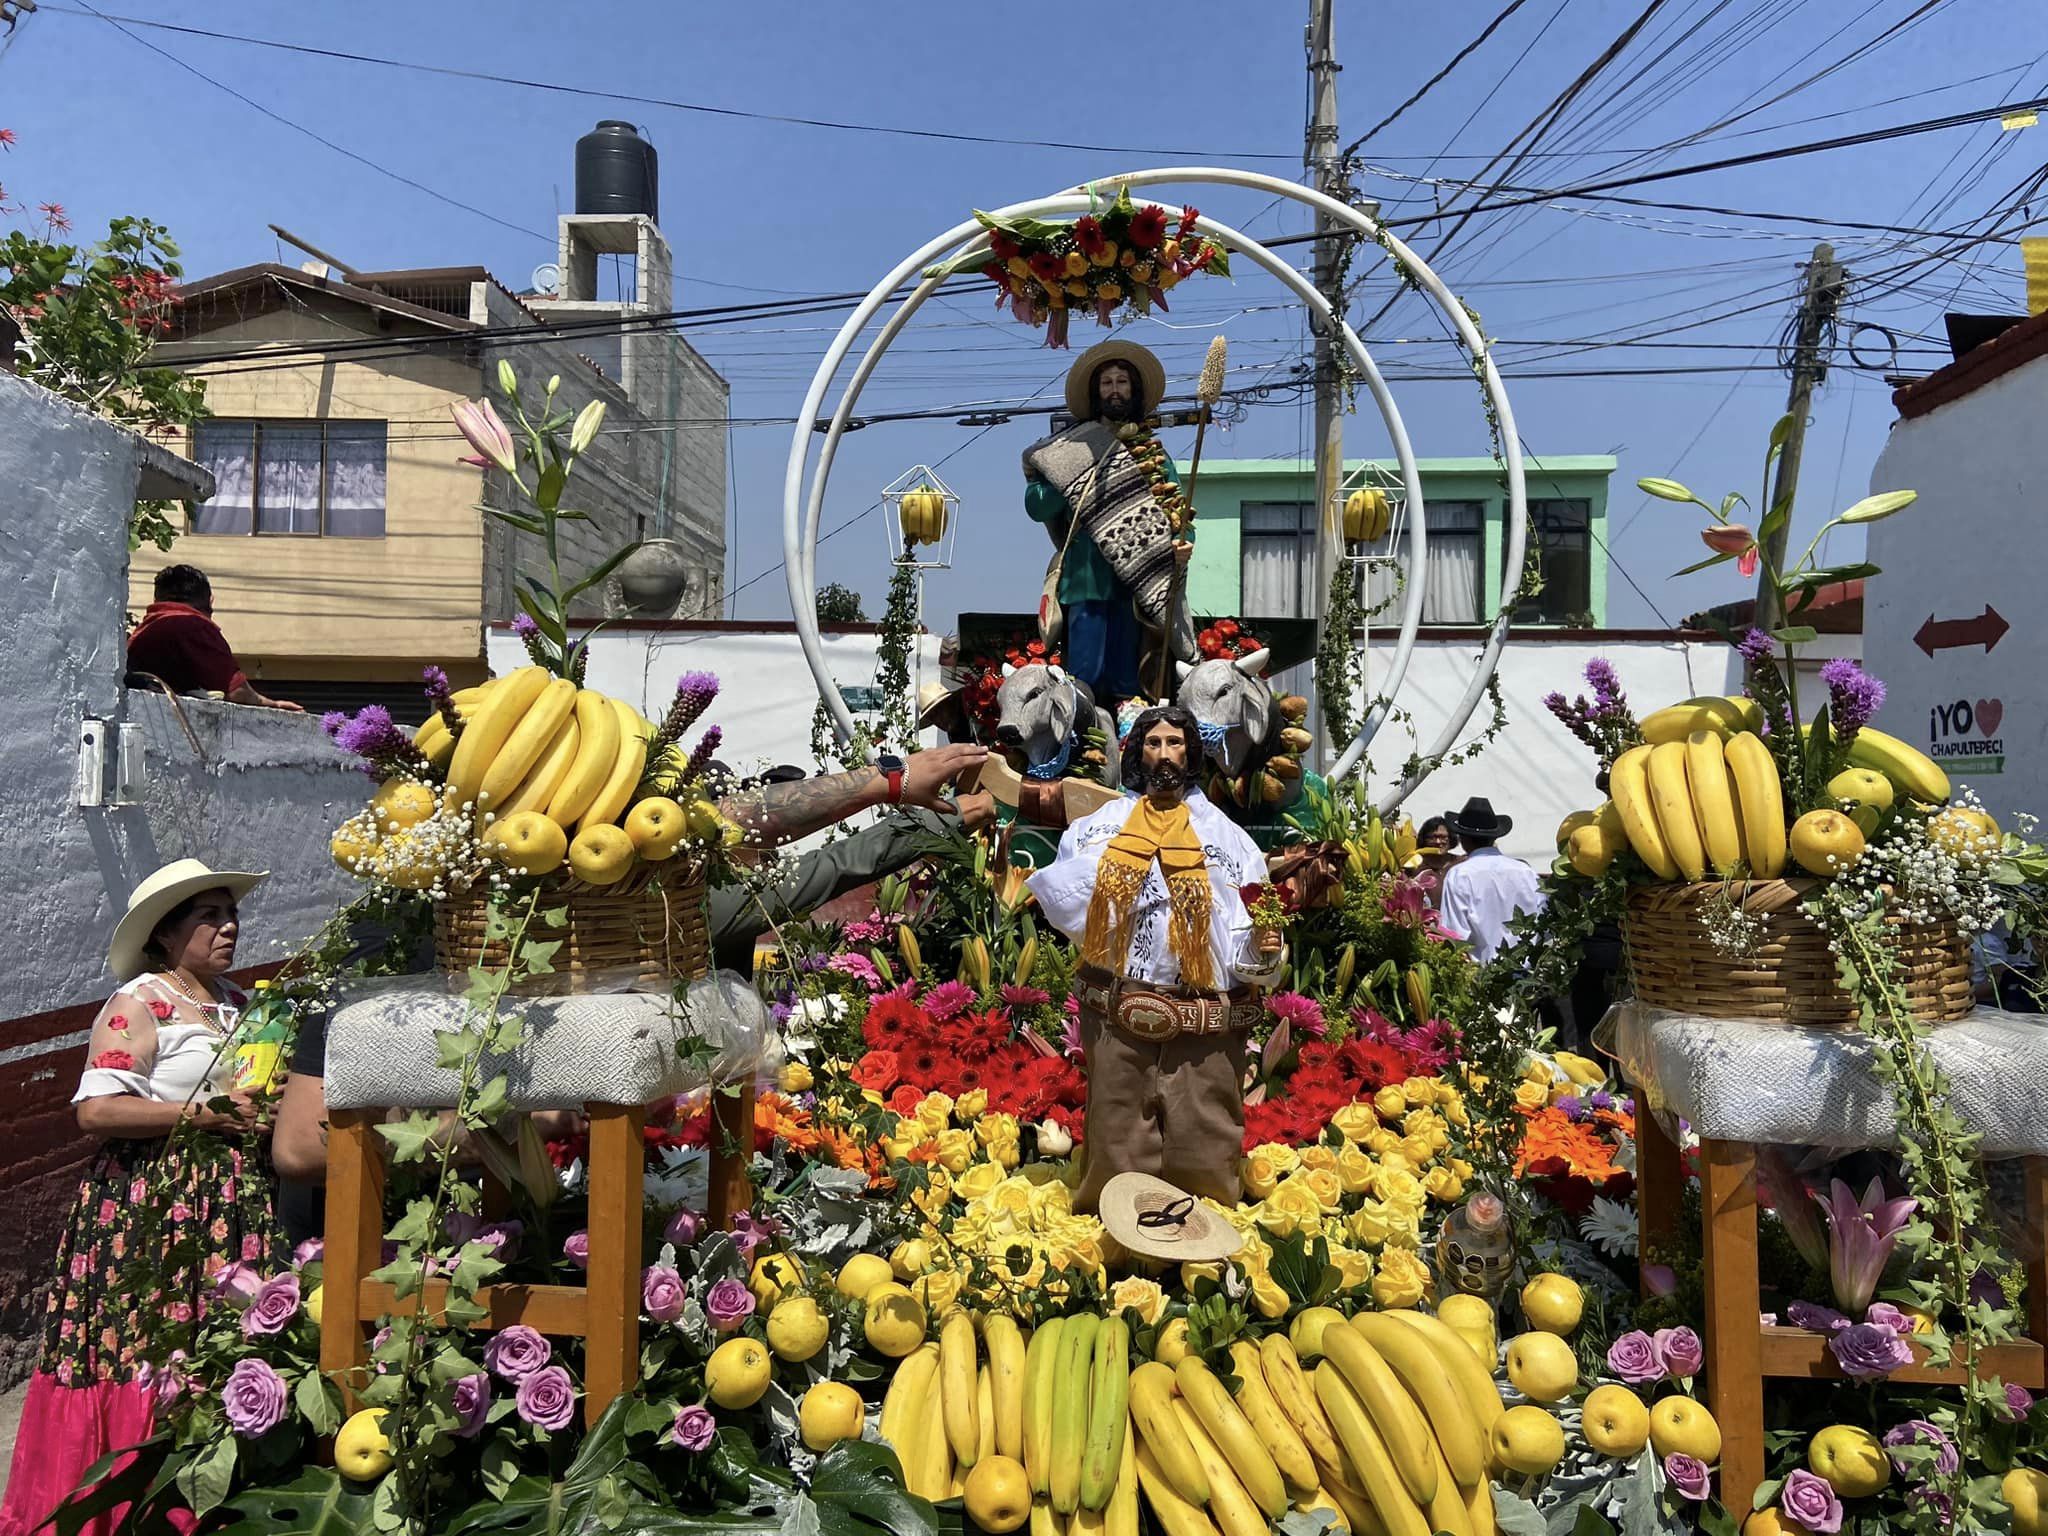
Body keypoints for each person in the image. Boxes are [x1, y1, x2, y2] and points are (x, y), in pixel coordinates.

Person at [272, 746, 996, 1236]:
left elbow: (717, 831)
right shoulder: (384, 938)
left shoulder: (579, 915)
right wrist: (511, 1129)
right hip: (380, 1258)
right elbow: (303, 1149)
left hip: (514, 1236)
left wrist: (890, 785)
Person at [1, 860, 283, 1536]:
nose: (228, 927)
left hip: (230, 1206)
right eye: (208, 917)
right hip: (151, 1210)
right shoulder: (140, 1002)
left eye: (229, 913)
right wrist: (206, 1115)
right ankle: (129, 1507)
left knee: (212, 1346)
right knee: (145, 1351)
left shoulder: (239, 1004)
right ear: (164, 935)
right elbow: (97, 1113)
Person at [1027, 705, 1284, 1210]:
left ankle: (1201, 1269)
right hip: (1119, 1019)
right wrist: (1140, 872)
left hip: (1205, 1028)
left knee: (1205, 1155)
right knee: (1115, 1155)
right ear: (1136, 753)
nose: (1164, 754)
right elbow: (1064, 907)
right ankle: (1116, 1268)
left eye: (1174, 743)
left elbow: (1247, 930)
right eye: (1153, 744)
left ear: (1191, 752)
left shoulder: (1230, 840)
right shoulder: (1101, 828)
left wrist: (1259, 947)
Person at [1024, 341, 1195, 713]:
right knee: (1082, 681)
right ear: (1095, 392)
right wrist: (1071, 481)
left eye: (1121, 382)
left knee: (1128, 688)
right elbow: (1036, 506)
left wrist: (1183, 546)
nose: (1114, 390)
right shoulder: (1068, 448)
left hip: (1133, 586)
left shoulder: (1152, 456)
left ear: (1133, 390)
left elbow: (1179, 516)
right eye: (1106, 383)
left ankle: (1125, 754)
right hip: (1085, 583)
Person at [126, 565, 300, 711]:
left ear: (156, 600)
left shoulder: (142, 631)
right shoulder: (193, 626)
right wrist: (274, 705)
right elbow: (237, 693)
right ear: (210, 601)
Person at [1436, 797, 1546, 966]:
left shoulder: (1460, 875)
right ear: (1493, 837)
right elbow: (1543, 922)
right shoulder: (1526, 872)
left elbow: (1454, 935)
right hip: (1526, 975)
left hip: (1480, 977)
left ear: (1463, 839)